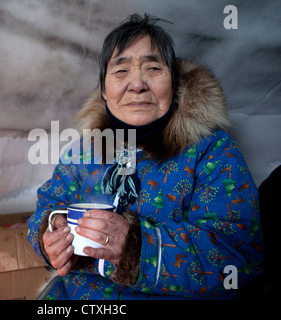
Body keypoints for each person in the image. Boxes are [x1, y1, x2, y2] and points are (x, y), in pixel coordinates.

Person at [27, 13, 264, 299]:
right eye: (121, 71)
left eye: (153, 68)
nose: (137, 84)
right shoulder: (82, 152)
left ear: (173, 84)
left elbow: (238, 257)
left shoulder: (214, 152)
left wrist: (137, 247)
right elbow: (46, 207)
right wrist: (49, 234)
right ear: (104, 90)